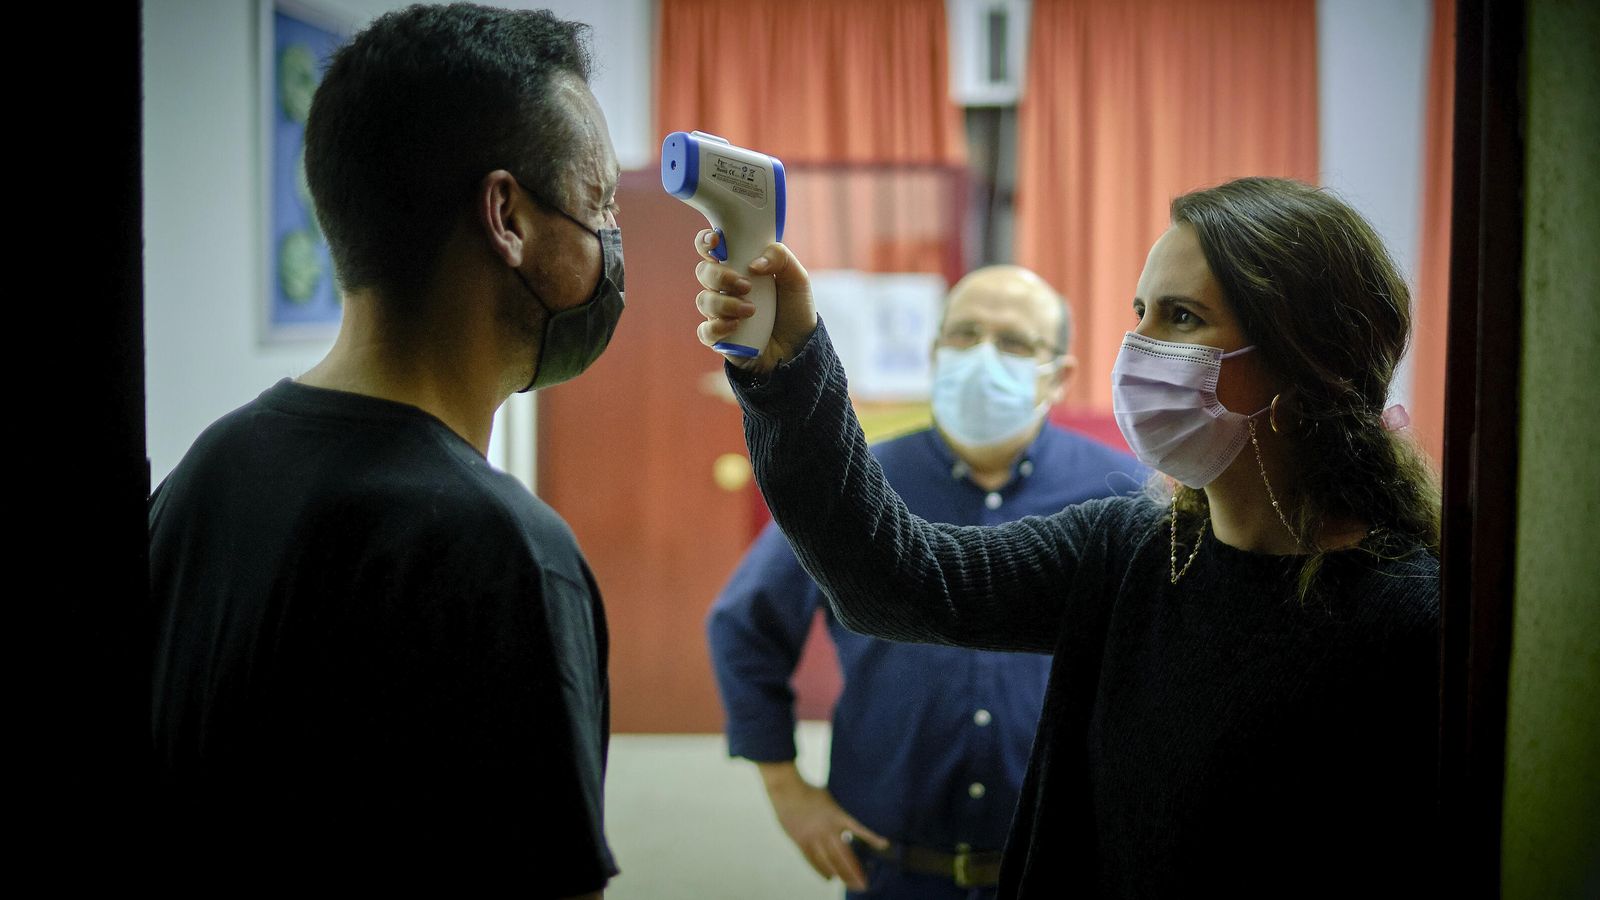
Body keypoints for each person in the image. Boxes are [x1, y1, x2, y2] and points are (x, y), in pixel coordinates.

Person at [690, 177, 1440, 897]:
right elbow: (903, 579)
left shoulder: (1414, 619)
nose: (1137, 347)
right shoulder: (1130, 546)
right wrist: (790, 365)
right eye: (1139, 311)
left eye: (1180, 317)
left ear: (1300, 358)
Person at [148, 6, 621, 892]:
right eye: (598, 205)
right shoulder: (504, 558)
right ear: (507, 217)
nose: (607, 244)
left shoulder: (205, 474)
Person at [708, 266, 1144, 898]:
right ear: (936, 352)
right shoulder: (858, 485)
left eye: (1015, 342)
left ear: (1060, 374)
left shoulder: (1121, 494)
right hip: (896, 867)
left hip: (1061, 865)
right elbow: (744, 624)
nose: (983, 356)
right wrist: (785, 788)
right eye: (964, 334)